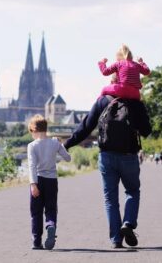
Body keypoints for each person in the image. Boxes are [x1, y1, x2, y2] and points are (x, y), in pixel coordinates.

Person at [64, 96, 151, 249]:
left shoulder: (103, 101)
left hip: (107, 157)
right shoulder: (135, 102)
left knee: (110, 199)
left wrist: (66, 145)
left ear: (112, 81)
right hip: (129, 156)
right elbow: (146, 131)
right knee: (132, 191)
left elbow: (85, 128)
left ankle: (116, 239)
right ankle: (128, 223)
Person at [27, 114, 71, 250]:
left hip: (38, 180)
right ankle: (50, 224)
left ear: (34, 129)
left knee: (36, 212)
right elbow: (68, 158)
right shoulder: (54, 143)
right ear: (45, 128)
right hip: (52, 180)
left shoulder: (32, 146)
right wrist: (59, 144)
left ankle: (36, 241)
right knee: (51, 208)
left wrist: (33, 184)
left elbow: (32, 166)